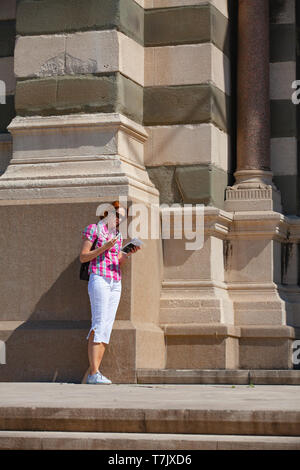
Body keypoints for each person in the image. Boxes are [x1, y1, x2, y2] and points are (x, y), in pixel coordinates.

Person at [79, 200, 141, 384]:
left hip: (115, 280)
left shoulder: (117, 235)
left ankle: (95, 373)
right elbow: (83, 257)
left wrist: (127, 253)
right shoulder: (94, 229)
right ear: (107, 213)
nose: (119, 219)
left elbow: (117, 259)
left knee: (106, 326)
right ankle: (94, 372)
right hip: (99, 278)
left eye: (123, 217)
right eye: (117, 215)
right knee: (98, 323)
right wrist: (104, 247)